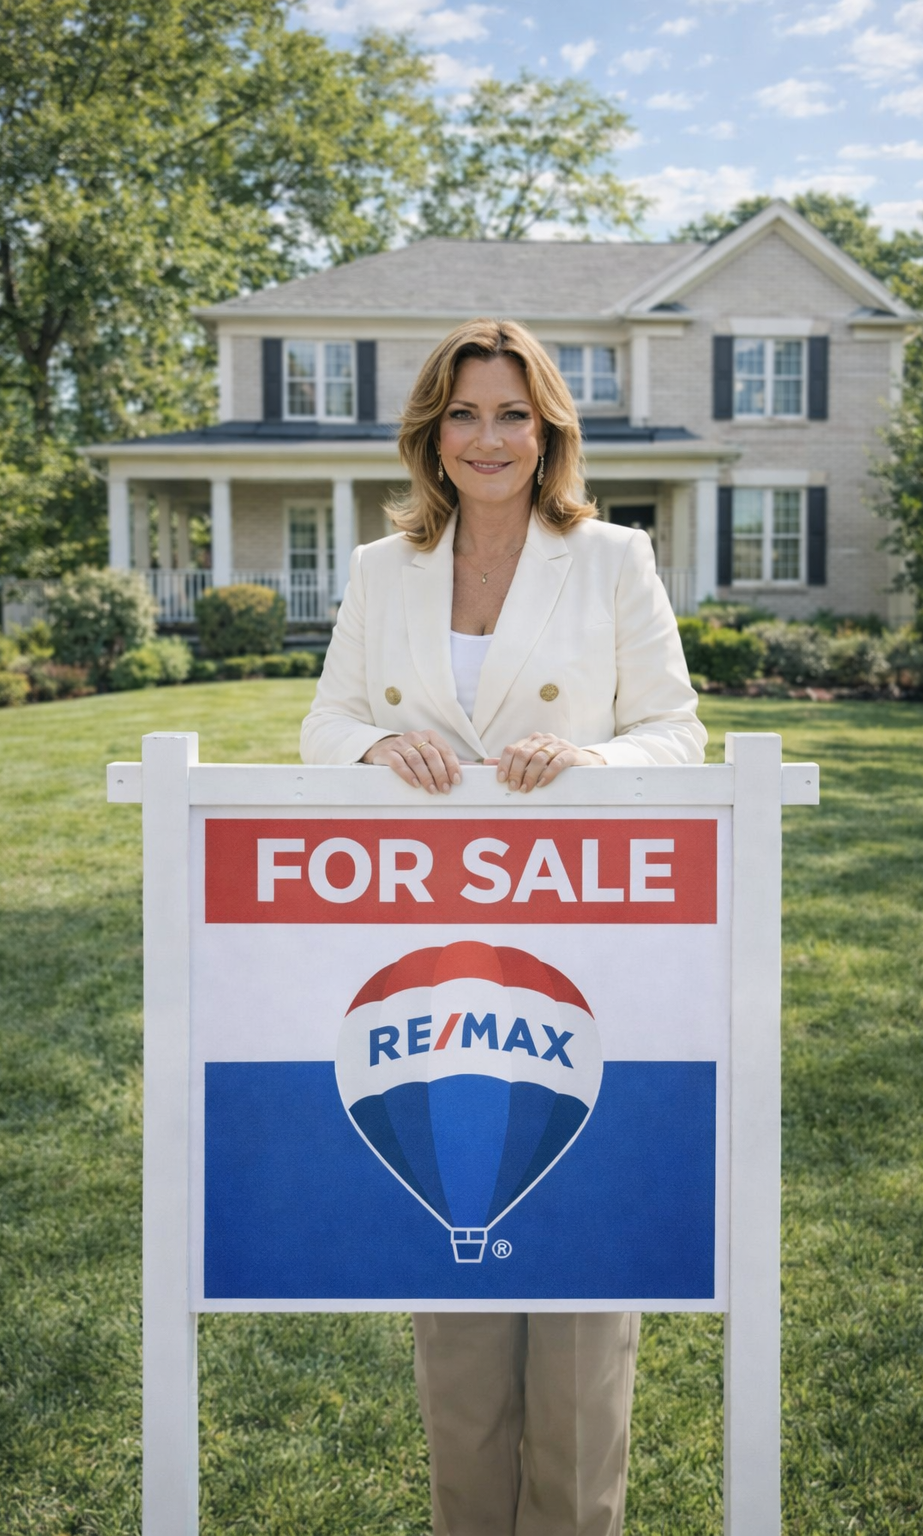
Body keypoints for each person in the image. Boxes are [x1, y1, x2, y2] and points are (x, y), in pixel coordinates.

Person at [300, 318, 706, 1536]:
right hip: (426, 966)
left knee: (582, 1302)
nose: (489, 438)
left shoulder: (613, 557)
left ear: (549, 432)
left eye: (513, 414)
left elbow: (677, 734)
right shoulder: (382, 571)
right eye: (464, 414)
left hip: (585, 957)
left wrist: (586, 756)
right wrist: (376, 743)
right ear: (432, 432)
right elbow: (321, 726)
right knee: (458, 1314)